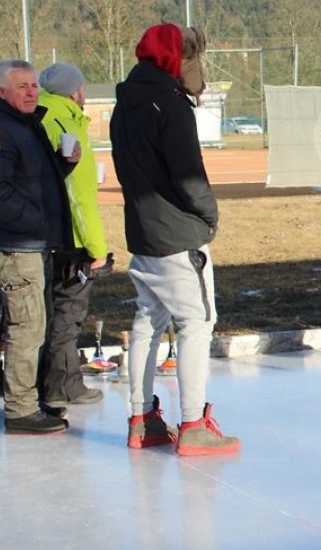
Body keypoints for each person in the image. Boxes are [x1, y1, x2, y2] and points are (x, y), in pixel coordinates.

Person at [112, 23, 239, 456]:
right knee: (196, 324)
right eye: (190, 59)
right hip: (177, 236)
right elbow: (189, 175)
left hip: (143, 234)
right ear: (175, 59)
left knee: (148, 323)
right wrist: (208, 214)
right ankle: (191, 424)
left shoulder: (124, 103)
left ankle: (141, 417)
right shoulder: (169, 104)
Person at [0, 59, 77, 434]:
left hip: (31, 243)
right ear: (2, 91)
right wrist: (40, 223)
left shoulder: (24, 125)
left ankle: (28, 399)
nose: (31, 92)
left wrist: (64, 164)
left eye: (34, 85)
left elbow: (30, 181)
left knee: (35, 324)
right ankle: (19, 408)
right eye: (22, 87)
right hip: (15, 245)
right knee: (26, 327)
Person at [36, 62, 111, 408]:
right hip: (71, 240)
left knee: (46, 312)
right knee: (68, 312)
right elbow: (79, 196)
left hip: (41, 235)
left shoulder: (37, 116)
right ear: (76, 92)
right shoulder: (67, 124)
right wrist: (97, 246)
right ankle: (64, 384)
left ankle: (42, 381)